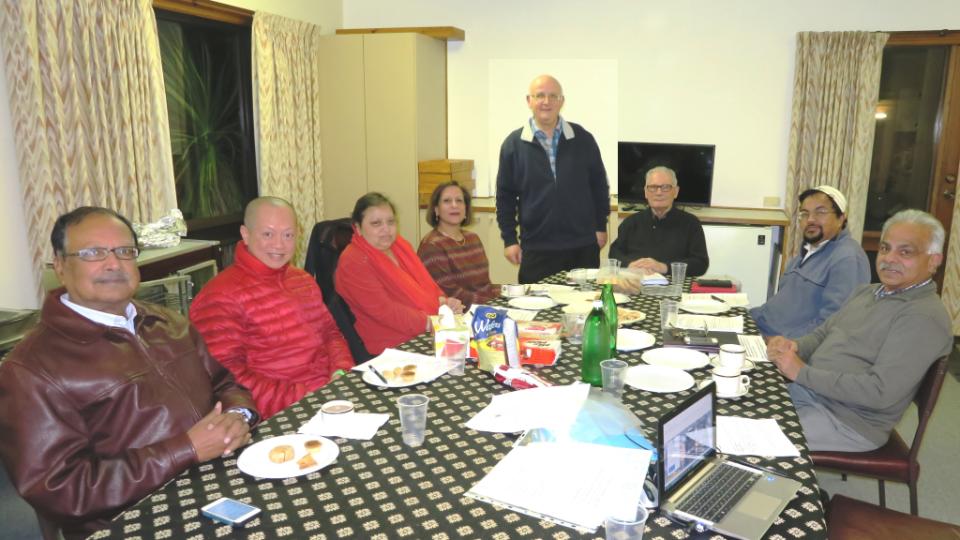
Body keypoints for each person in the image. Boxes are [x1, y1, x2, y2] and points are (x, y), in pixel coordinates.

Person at [0, 207, 257, 540]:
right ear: (60, 266)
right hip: (131, 521)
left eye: (124, 251)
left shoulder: (169, 323)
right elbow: (58, 489)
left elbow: (225, 384)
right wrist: (186, 449)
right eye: (93, 253)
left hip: (218, 482)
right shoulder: (31, 369)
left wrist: (237, 415)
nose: (113, 263)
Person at [767, 209, 952, 452]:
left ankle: (789, 488)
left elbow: (880, 392)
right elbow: (824, 333)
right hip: (812, 393)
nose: (890, 258)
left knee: (746, 438)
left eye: (905, 252)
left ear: (933, 260)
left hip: (847, 421)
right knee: (735, 407)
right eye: (885, 248)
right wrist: (796, 346)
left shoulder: (923, 316)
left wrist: (801, 372)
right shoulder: (867, 292)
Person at [190, 197, 354, 419]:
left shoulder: (302, 280)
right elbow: (227, 380)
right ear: (245, 234)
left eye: (288, 235)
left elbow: (331, 334)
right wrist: (309, 397)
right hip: (283, 414)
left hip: (331, 395)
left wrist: (341, 372)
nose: (279, 245)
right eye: (268, 234)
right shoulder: (220, 295)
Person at [496, 74, 610, 284]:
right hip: (537, 248)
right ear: (529, 101)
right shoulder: (513, 145)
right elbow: (505, 197)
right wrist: (510, 240)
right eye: (540, 95)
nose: (546, 102)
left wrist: (600, 226)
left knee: (585, 310)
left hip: (582, 245)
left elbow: (599, 186)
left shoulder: (583, 138)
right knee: (537, 313)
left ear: (562, 101)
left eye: (552, 96)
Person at [336, 192, 464, 355]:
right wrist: (430, 322)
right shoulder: (353, 261)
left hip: (424, 330)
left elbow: (424, 284)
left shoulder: (399, 245)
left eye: (390, 222)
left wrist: (444, 303)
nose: (386, 230)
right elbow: (385, 311)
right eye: (376, 223)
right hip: (393, 346)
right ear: (358, 228)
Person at [750, 186, 870, 338]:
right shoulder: (807, 251)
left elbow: (833, 324)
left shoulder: (847, 259)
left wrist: (784, 344)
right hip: (761, 328)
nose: (811, 219)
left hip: (782, 346)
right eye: (805, 214)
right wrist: (745, 316)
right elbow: (779, 306)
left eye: (820, 212)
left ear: (841, 218)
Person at [608, 166, 709, 276]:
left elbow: (700, 263)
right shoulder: (631, 222)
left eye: (665, 187)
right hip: (635, 283)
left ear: (676, 191)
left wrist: (664, 267)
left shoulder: (691, 223)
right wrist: (630, 264)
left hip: (674, 287)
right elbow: (614, 254)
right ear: (646, 192)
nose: (659, 192)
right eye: (653, 187)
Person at [418, 181, 500, 306]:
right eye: (447, 201)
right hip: (460, 315)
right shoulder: (431, 247)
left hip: (485, 306)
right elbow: (452, 294)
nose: (454, 205)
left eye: (459, 200)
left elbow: (485, 286)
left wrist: (510, 293)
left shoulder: (473, 238)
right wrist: (496, 304)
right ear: (436, 210)